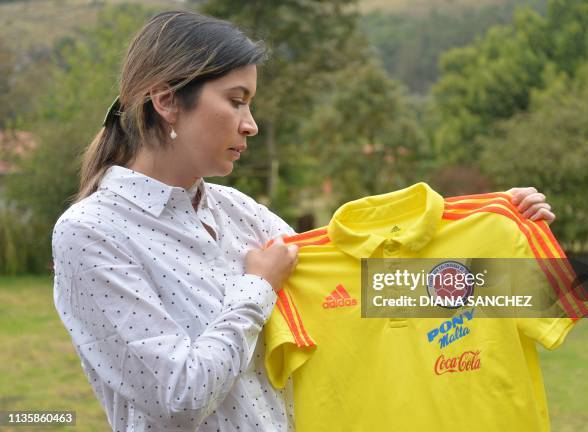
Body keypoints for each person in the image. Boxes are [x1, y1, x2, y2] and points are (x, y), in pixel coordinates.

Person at [51, 11, 556, 432]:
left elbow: (360, 293)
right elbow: (178, 396)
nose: (251, 123)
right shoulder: (91, 233)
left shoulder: (237, 211)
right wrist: (255, 289)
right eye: (235, 101)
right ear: (166, 102)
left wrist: (496, 228)